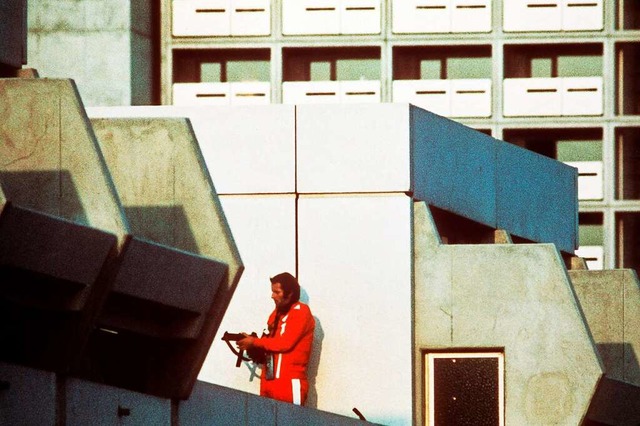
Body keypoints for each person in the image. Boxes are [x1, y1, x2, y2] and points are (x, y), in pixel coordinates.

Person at [237, 272, 315, 405]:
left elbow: (285, 343)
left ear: (289, 294)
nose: (272, 296)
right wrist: (252, 344)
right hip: (268, 381)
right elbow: (270, 342)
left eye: (277, 292)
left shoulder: (301, 311)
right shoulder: (276, 313)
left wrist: (254, 342)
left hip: (288, 384)